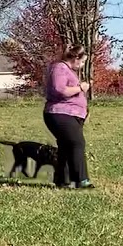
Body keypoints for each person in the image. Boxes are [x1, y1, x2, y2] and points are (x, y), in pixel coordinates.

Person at [43, 45, 93, 189]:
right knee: (77, 143)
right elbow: (60, 89)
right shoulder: (59, 68)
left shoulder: (67, 70)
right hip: (59, 113)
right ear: (76, 58)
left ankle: (61, 180)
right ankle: (80, 180)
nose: (82, 65)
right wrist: (81, 88)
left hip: (69, 114)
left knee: (66, 145)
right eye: (82, 61)